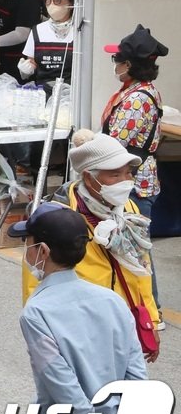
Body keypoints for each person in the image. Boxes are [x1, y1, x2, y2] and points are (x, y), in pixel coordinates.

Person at [10, 201, 150, 414]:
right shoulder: (112, 301)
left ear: (43, 251)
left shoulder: (37, 312)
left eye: (27, 241)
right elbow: (136, 377)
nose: (25, 247)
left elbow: (65, 389)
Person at [22, 131, 160, 364]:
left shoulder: (129, 211)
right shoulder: (56, 216)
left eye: (128, 173)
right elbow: (34, 278)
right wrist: (43, 338)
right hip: (75, 330)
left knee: (123, 394)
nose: (125, 181)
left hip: (122, 325)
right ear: (89, 177)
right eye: (114, 174)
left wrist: (151, 321)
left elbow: (142, 269)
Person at [102, 24, 167, 287]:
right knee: (130, 248)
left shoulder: (136, 99)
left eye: (116, 59)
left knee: (136, 251)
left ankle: (152, 310)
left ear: (127, 64)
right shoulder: (139, 91)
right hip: (133, 180)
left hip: (133, 183)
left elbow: (115, 143)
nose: (114, 63)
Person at [21, 0, 75, 84]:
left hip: (71, 93)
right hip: (42, 92)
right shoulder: (38, 30)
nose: (52, 4)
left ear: (71, 3)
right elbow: (31, 61)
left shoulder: (79, 31)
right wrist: (26, 69)